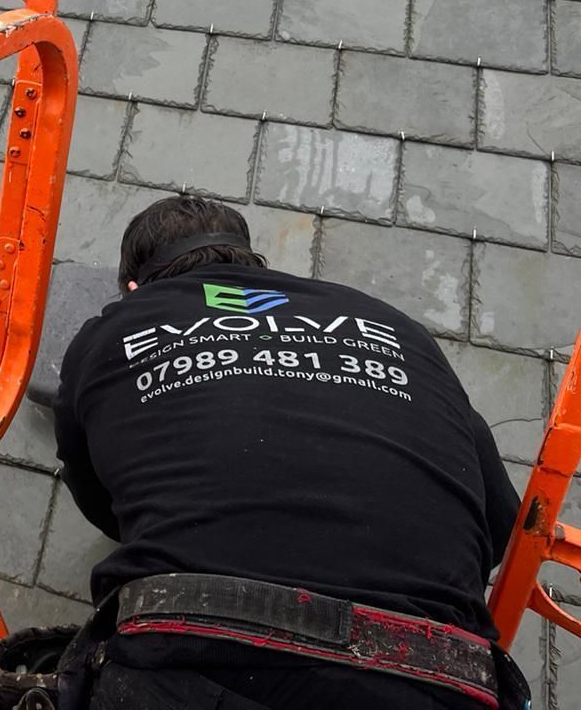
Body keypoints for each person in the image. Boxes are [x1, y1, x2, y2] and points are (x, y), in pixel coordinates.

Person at [50, 195, 527, 710]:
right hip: (434, 671)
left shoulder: (113, 330)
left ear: (133, 287)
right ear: (253, 262)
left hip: (195, 655)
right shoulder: (395, 326)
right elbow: (501, 519)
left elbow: (94, 491)